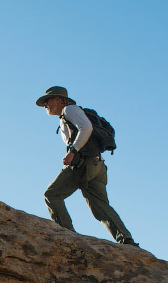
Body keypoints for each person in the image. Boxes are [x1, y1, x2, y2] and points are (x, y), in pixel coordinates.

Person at [35, 85, 138, 245]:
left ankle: (67, 236)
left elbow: (87, 127)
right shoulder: (66, 115)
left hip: (84, 164)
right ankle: (126, 240)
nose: (45, 105)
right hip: (97, 165)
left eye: (47, 101)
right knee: (100, 206)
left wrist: (73, 151)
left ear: (58, 99)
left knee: (52, 194)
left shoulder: (69, 110)